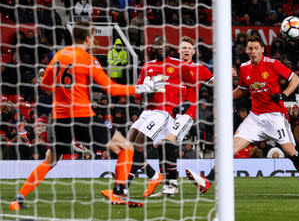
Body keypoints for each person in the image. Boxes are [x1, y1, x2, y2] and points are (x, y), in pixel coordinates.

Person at [9, 21, 164, 210]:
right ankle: (119, 192)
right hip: (83, 117)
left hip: (59, 120)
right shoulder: (89, 60)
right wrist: (141, 88)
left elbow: (44, 86)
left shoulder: (58, 56)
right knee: (126, 148)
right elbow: (111, 89)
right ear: (88, 38)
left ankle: (18, 198)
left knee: (50, 160)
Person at [186, 36, 299, 197]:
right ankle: (207, 180)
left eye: (256, 48)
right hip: (255, 117)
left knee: (289, 151)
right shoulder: (244, 67)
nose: (253, 51)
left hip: (275, 116)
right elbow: (242, 89)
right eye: (250, 48)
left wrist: (283, 95)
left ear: (262, 49)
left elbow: (296, 79)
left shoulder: (272, 63)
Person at [101, 35, 199, 199]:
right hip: (147, 111)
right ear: (152, 49)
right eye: (157, 46)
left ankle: (122, 190)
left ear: (168, 48)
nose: (160, 49)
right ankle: (153, 176)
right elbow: (138, 95)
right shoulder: (147, 66)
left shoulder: (178, 65)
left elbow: (192, 85)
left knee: (139, 145)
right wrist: (147, 90)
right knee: (127, 146)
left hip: (164, 113)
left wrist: (183, 105)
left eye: (163, 46)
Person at [123, 36, 214, 197]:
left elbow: (215, 82)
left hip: (185, 113)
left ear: (193, 51)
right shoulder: (166, 67)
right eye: (183, 47)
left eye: (189, 48)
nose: (186, 50)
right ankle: (167, 184)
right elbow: (145, 90)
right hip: (167, 112)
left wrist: (229, 74)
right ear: (178, 50)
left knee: (165, 143)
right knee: (162, 147)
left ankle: (127, 186)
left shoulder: (198, 68)